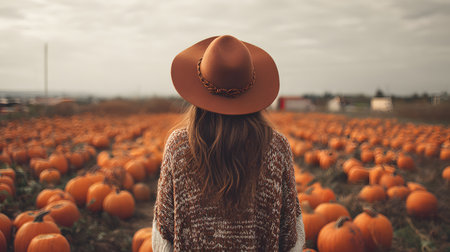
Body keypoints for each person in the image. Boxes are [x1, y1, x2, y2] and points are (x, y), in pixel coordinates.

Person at [152, 35, 305, 251]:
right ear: (252, 90)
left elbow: (162, 237)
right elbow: (292, 238)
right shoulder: (277, 148)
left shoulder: (178, 146)